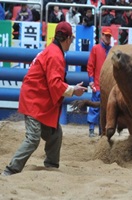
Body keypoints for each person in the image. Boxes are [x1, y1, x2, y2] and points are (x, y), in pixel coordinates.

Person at [1, 22, 87, 176]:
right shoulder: (55, 55)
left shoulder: (52, 51)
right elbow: (55, 84)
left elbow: (53, 82)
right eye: (71, 39)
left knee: (55, 133)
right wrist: (73, 90)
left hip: (38, 99)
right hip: (34, 101)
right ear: (66, 38)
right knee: (33, 139)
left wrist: (72, 88)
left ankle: (51, 166)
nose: (71, 42)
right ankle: (11, 169)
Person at [86, 27, 112, 137]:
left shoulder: (112, 50)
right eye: (106, 35)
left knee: (106, 108)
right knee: (95, 107)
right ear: (102, 36)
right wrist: (91, 81)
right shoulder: (96, 49)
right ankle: (91, 129)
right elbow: (90, 65)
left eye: (109, 36)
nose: (107, 38)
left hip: (107, 86)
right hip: (97, 84)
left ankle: (103, 130)